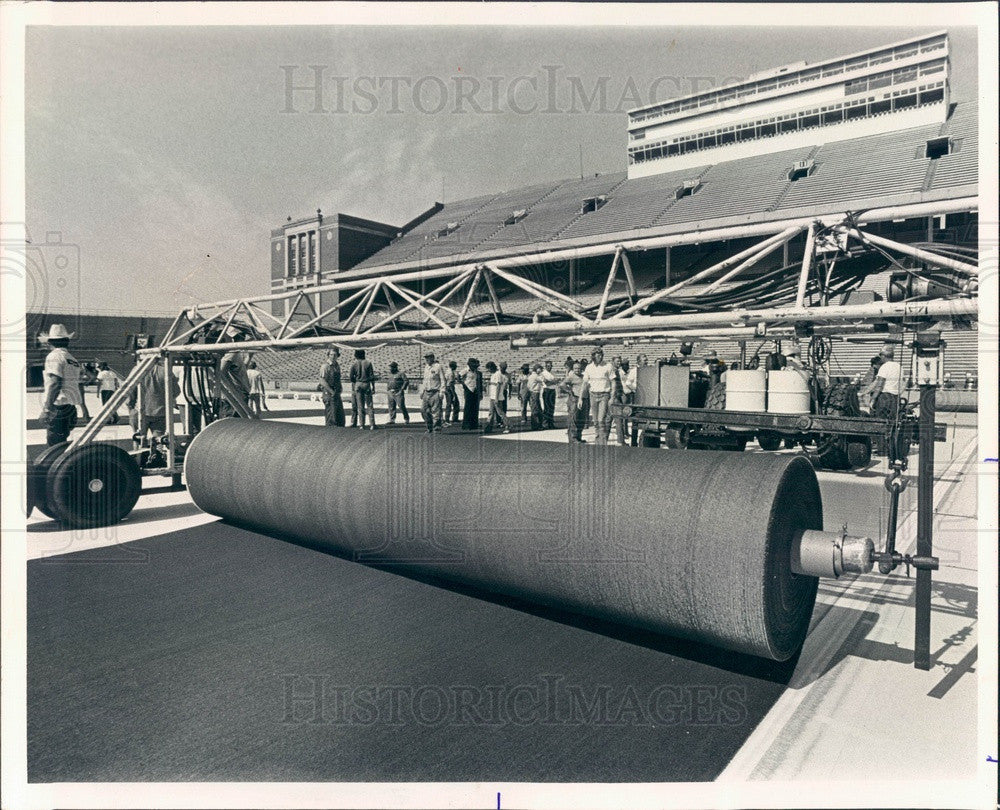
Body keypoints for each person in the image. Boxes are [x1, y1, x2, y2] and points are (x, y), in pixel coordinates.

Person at [129, 356, 181, 464]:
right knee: (160, 440)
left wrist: (131, 407)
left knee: (139, 438)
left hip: (140, 411)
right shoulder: (165, 371)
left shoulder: (137, 370)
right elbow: (176, 391)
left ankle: (138, 462)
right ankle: (158, 461)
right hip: (161, 411)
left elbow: (130, 390)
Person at [39, 323, 83, 446]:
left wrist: (47, 409)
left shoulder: (54, 356)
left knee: (54, 446)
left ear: (50, 342)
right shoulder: (72, 359)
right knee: (62, 442)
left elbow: (55, 383)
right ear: (67, 342)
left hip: (58, 407)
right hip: (70, 407)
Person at [580, 347, 616, 445]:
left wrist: (612, 397)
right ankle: (598, 441)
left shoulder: (608, 366)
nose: (599, 356)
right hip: (593, 395)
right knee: (595, 421)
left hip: (604, 395)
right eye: (597, 354)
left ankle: (603, 443)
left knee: (601, 420)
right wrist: (580, 398)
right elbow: (584, 383)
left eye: (600, 354)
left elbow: (613, 382)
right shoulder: (589, 367)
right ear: (593, 356)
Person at [219, 334, 252, 417]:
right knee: (233, 421)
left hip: (241, 391)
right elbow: (221, 371)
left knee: (240, 421)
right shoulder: (232, 353)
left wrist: (250, 356)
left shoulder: (238, 353)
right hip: (236, 393)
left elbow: (240, 368)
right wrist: (232, 388)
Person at [349, 348, 377, 430]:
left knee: (360, 406)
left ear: (356, 355)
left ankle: (362, 424)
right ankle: (372, 424)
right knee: (369, 405)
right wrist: (373, 387)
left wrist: (356, 381)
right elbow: (372, 376)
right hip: (366, 383)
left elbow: (351, 377)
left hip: (358, 384)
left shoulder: (354, 364)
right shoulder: (368, 363)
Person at [560, 360, 588, 442]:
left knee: (581, 419)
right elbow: (562, 384)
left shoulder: (584, 377)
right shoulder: (571, 376)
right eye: (575, 368)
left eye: (579, 368)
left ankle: (579, 436)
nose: (577, 370)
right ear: (573, 369)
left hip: (584, 399)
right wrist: (569, 391)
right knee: (573, 419)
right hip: (574, 399)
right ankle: (573, 438)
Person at [319, 347, 346, 427]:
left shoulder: (337, 366)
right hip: (329, 393)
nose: (333, 356)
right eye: (331, 354)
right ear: (328, 355)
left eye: (335, 355)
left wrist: (340, 388)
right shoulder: (325, 366)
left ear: (338, 355)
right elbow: (322, 381)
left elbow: (338, 379)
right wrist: (331, 391)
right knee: (331, 417)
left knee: (340, 417)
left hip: (336, 392)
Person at [420, 352, 445, 433]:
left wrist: (442, 391)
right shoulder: (426, 367)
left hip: (435, 392)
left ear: (433, 358)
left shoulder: (438, 366)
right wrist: (422, 391)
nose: (427, 359)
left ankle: (436, 428)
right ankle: (429, 427)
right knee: (424, 410)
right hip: (426, 392)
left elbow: (443, 379)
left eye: (429, 357)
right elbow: (425, 380)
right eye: (426, 358)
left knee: (436, 411)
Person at [483, 361, 510, 434]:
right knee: (491, 413)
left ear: (491, 368)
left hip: (497, 397)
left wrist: (496, 398)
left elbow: (498, 387)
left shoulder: (498, 374)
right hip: (492, 397)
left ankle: (507, 425)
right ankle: (489, 427)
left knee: (500, 412)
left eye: (488, 369)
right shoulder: (493, 375)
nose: (488, 370)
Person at [461, 358, 482, 431]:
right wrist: (464, 385)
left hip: (475, 390)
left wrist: (480, 392)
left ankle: (474, 424)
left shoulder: (477, 372)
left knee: (475, 407)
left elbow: (478, 382)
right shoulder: (465, 370)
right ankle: (466, 424)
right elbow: (459, 376)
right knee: (468, 407)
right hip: (468, 389)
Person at [527, 363, 545, 430]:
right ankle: (535, 425)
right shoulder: (535, 376)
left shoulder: (531, 376)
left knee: (536, 409)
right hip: (535, 392)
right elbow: (543, 379)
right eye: (540, 369)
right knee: (536, 409)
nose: (540, 370)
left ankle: (537, 425)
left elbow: (528, 385)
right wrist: (541, 373)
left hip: (532, 392)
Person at [541, 360, 558, 429]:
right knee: (547, 407)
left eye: (550, 366)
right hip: (547, 390)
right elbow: (546, 383)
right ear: (545, 366)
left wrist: (552, 381)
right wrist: (553, 381)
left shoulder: (552, 373)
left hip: (553, 390)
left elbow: (556, 381)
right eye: (548, 366)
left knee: (552, 407)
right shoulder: (543, 373)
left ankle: (551, 423)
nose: (549, 367)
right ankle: (545, 423)